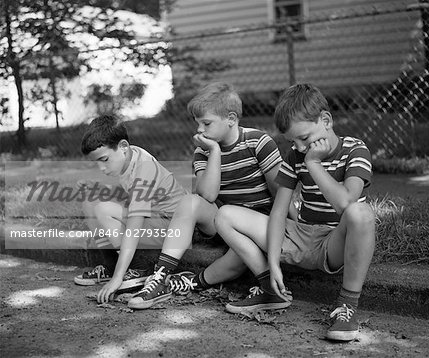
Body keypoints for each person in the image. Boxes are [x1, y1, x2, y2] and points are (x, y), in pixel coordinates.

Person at [215, 83, 375, 342]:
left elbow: (345, 203)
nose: (300, 148)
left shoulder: (355, 150)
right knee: (225, 215)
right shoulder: (295, 156)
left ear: (325, 120)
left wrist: (313, 163)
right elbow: (279, 212)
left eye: (305, 138)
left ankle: (346, 307)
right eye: (293, 141)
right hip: (300, 236)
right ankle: (269, 286)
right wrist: (274, 263)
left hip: (334, 243)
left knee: (361, 213)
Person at [127, 82, 284, 310]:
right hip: (221, 221)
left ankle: (194, 281)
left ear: (231, 119)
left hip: (257, 224)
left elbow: (279, 190)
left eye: (206, 123)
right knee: (191, 201)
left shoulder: (259, 142)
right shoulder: (203, 150)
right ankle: (161, 277)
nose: (199, 130)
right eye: (198, 124)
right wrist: (215, 152)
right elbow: (207, 195)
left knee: (238, 259)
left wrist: (292, 224)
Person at [73, 114, 188, 304]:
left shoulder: (143, 168)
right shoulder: (130, 156)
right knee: (90, 198)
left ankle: (135, 270)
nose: (101, 168)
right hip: (154, 218)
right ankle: (110, 265)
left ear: (123, 147)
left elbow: (134, 226)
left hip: (172, 225)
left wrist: (117, 280)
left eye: (104, 159)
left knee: (104, 210)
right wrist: (102, 189)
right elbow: (132, 193)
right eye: (97, 162)